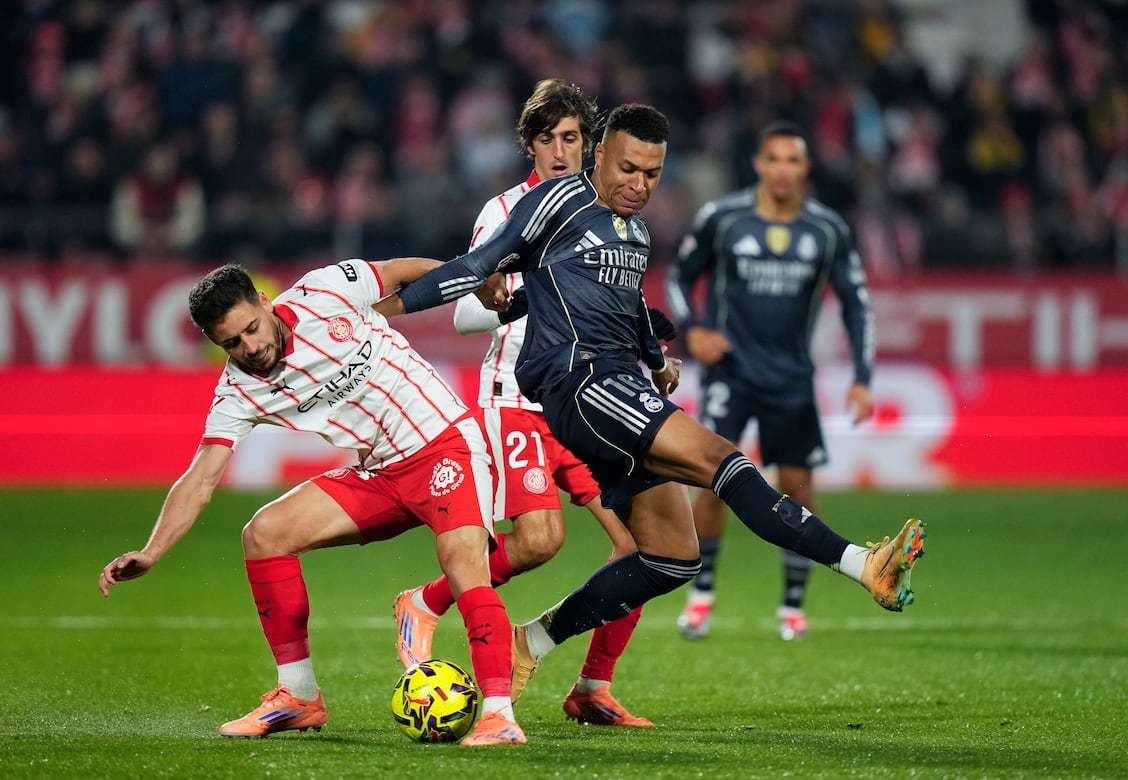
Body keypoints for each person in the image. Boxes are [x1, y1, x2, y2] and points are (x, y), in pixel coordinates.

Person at [383, 104, 925, 703]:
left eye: (652, 174)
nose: (638, 185)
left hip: (622, 384)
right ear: (598, 156)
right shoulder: (556, 201)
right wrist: (386, 311)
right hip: (582, 385)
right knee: (722, 460)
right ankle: (858, 562)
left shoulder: (634, 232)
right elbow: (479, 266)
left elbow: (629, 306)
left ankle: (529, 642)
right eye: (627, 168)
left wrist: (658, 356)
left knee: (671, 557)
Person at [97, 260, 526, 746]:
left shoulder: (325, 291)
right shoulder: (237, 390)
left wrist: (479, 277)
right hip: (379, 474)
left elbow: (407, 269)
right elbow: (200, 478)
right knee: (264, 534)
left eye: (251, 330)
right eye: (231, 344)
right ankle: (299, 697)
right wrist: (152, 552)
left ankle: (497, 714)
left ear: (265, 301)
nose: (250, 348)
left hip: (443, 444)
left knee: (462, 563)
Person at [392, 79, 655, 727]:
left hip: (590, 400)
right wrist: (543, 295)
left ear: (590, 146)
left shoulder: (610, 218)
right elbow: (463, 321)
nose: (561, 150)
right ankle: (425, 600)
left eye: (572, 138)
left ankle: (592, 686)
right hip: (520, 399)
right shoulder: (506, 210)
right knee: (539, 541)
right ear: (529, 145)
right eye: (548, 138)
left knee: (645, 550)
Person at [668, 120, 876, 642]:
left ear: (805, 169)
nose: (782, 170)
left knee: (798, 488)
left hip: (791, 379)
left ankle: (792, 606)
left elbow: (857, 303)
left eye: (793, 161)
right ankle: (701, 597)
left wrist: (863, 378)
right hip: (731, 374)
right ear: (759, 164)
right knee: (711, 482)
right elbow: (678, 276)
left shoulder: (826, 229)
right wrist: (693, 331)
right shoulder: (724, 218)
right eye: (773, 159)